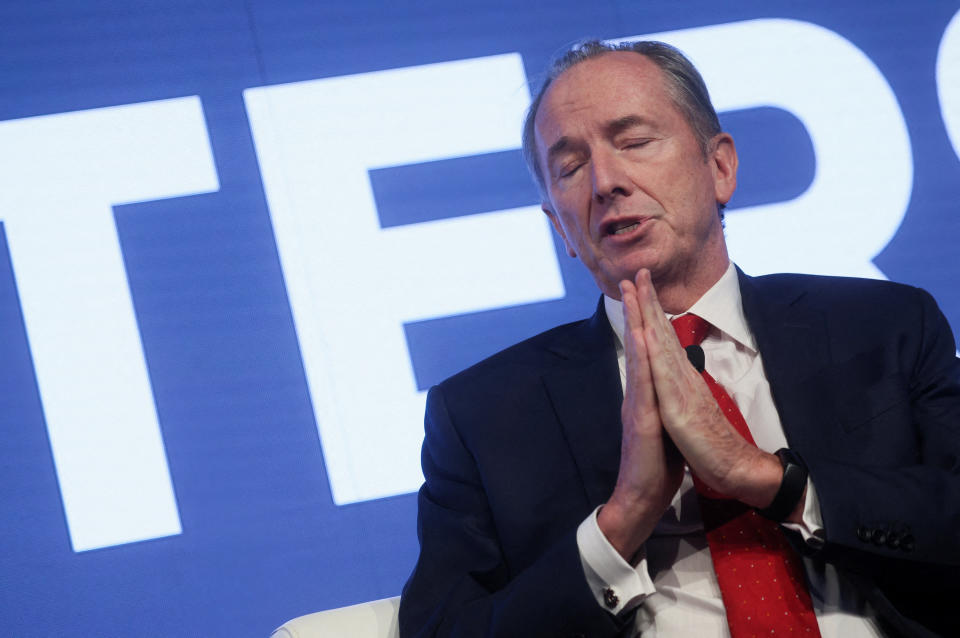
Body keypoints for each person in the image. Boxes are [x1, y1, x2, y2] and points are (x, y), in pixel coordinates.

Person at [399, 40, 960, 638]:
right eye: (570, 167)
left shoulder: (881, 326)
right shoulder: (484, 415)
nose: (606, 181)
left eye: (635, 142)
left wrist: (770, 480)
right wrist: (622, 520)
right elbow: (439, 629)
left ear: (719, 168)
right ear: (559, 225)